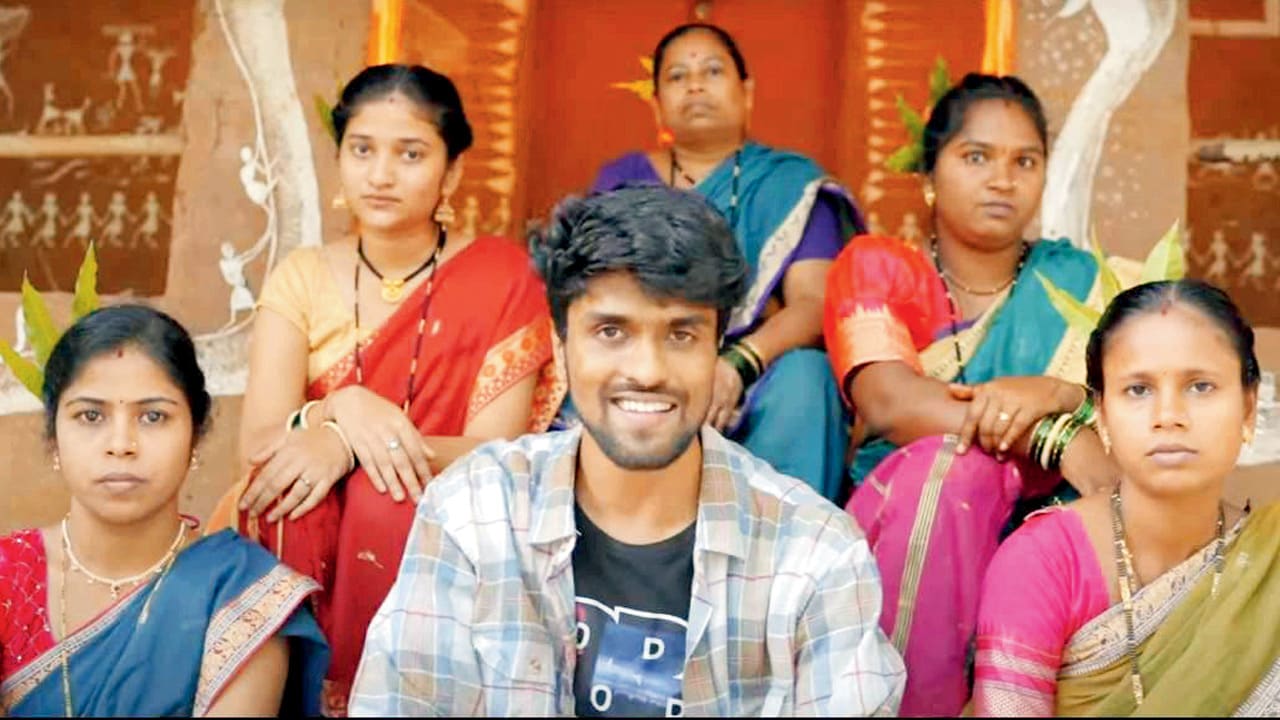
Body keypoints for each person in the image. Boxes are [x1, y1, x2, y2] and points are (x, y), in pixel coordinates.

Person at [349, 186, 905, 717]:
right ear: (561, 344)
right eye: (611, 332)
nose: (647, 371)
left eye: (681, 334)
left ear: (719, 347)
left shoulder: (814, 555)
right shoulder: (476, 512)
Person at [210, 64, 561, 715]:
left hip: (448, 526)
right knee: (286, 495)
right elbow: (258, 448)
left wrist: (351, 447)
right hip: (309, 526)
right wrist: (339, 411)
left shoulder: (503, 277)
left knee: (383, 497)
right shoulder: (303, 276)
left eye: (411, 154)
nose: (380, 173)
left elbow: (498, 452)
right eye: (362, 149)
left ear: (452, 172)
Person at [822, 73, 1139, 716]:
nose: (1003, 179)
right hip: (906, 529)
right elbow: (889, 401)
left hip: (1047, 530)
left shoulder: (1079, 284)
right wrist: (1047, 430)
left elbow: (1119, 435)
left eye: (1025, 161)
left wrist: (1056, 391)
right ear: (931, 177)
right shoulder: (879, 266)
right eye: (977, 157)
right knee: (955, 468)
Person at [0, 305, 328, 717]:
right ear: (54, 437)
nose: (121, 443)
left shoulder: (241, 596)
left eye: (154, 416)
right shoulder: (7, 575)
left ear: (194, 435)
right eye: (90, 416)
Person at [974, 280, 1280, 716]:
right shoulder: (1042, 562)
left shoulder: (1270, 562)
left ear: (1248, 408)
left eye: (1200, 387)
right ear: (1101, 414)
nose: (1169, 416)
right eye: (1138, 389)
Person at [586, 22, 862, 502]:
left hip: (755, 376)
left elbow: (816, 306)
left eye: (712, 70)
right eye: (677, 76)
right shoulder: (622, 179)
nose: (695, 84)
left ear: (746, 92)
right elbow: (591, 298)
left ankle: (786, 555)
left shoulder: (789, 184)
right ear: (656, 104)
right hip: (645, 363)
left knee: (807, 377)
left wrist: (737, 364)